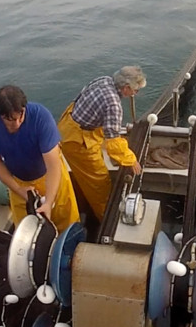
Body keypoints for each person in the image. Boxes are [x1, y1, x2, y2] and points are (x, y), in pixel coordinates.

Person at [0, 85, 79, 231]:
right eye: (11, 120)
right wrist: (19, 189)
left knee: (66, 220)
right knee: (26, 229)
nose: (17, 123)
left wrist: (49, 203)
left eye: (21, 117)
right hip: (20, 183)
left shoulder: (41, 117)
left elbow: (53, 165)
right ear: (0, 115)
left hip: (50, 177)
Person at [57, 66, 146, 220]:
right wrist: (131, 160)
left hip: (66, 128)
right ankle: (105, 216)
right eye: (135, 90)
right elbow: (113, 144)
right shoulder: (114, 105)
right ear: (126, 88)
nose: (135, 94)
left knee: (92, 172)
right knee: (99, 183)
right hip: (78, 143)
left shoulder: (103, 80)